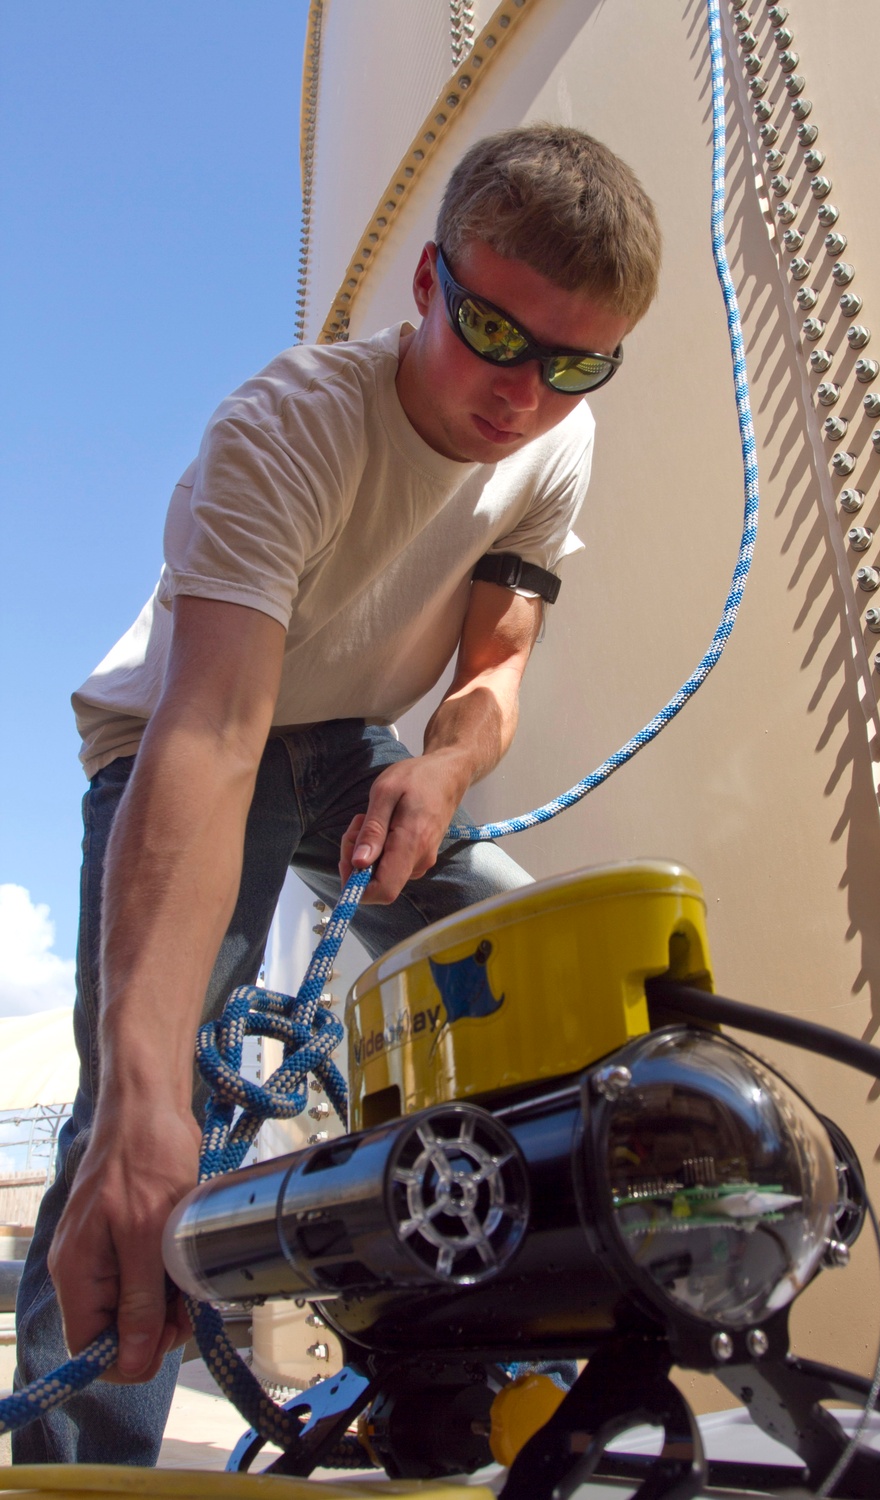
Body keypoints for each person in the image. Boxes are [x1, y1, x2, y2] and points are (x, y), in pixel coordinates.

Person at [14, 122, 661, 1465]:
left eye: (573, 363)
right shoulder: (289, 429)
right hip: (194, 747)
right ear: (428, 283)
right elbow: (214, 731)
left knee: (560, 1019)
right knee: (147, 1108)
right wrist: (149, 1104)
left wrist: (446, 766)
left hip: (362, 746)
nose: (522, 396)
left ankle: (469, 1389)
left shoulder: (556, 439)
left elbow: (494, 663)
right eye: (494, 334)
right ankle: (81, 1465)